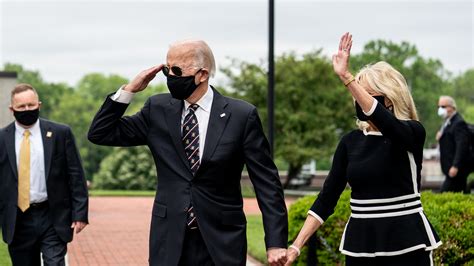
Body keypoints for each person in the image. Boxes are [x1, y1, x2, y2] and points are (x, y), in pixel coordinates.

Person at [87, 39, 288, 266]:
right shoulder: (158, 110)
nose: (170, 76)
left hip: (222, 240)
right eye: (166, 69)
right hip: (169, 238)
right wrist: (129, 90)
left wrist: (276, 242)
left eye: (176, 70)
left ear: (202, 74)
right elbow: (99, 133)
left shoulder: (241, 115)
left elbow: (267, 183)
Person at [285, 33, 442, 266]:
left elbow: (386, 122)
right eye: (357, 93)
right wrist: (296, 247)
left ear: (389, 99)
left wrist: (347, 78)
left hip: (407, 243)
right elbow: (326, 199)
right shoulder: (350, 142)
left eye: (366, 94)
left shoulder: (411, 133)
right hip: (361, 246)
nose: (359, 100)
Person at [0, 83, 89, 266]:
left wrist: (80, 212)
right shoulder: (2, 139)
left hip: (52, 214)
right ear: (12, 109)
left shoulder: (59, 133)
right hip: (17, 219)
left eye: (31, 105)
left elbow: (75, 174)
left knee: (54, 262)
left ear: (39, 105)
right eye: (21, 107)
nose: (27, 110)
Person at [436, 95, 471, 193]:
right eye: (439, 107)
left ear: (452, 108)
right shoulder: (447, 122)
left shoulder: (458, 123)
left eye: (443, 107)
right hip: (450, 169)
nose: (440, 109)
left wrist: (455, 165)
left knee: (443, 194)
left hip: (456, 170)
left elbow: (462, 146)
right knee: (461, 193)